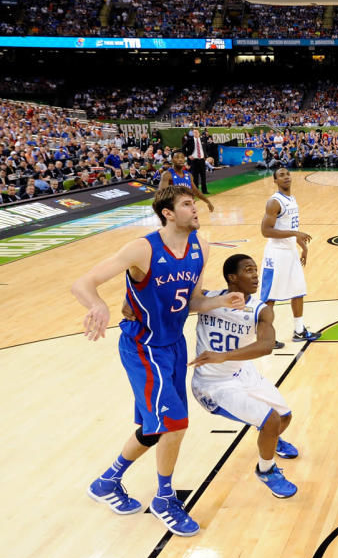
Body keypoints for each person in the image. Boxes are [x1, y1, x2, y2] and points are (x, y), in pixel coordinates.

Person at [72, 185, 244, 537]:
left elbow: (193, 302)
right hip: (143, 346)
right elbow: (82, 282)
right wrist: (97, 304)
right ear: (167, 213)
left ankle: (107, 482)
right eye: (186, 204)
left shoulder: (202, 247)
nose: (195, 209)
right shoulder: (143, 248)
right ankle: (165, 498)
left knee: (155, 428)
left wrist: (222, 300)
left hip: (174, 345)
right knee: (175, 424)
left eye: (194, 204)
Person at [189, 254, 299, 499]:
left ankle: (271, 441)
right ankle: (267, 471)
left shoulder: (260, 310)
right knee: (270, 421)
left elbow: (267, 345)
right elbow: (170, 301)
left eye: (256, 270)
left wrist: (224, 356)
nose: (256, 275)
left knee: (284, 417)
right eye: (249, 270)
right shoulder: (207, 299)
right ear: (232, 277)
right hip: (212, 385)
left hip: (241, 371)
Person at [260, 167, 317, 347]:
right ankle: (265, 338)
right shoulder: (274, 202)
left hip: (290, 252)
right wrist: (295, 234)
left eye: (287, 174)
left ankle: (299, 331)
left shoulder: (291, 199)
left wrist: (302, 246)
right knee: (270, 297)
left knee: (298, 291)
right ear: (275, 181)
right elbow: (265, 231)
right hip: (276, 255)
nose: (286, 177)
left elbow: (291, 227)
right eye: (281, 175)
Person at [184, 128, 209, 194]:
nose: (195, 133)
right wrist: (188, 155)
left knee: (203, 176)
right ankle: (196, 191)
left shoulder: (202, 140)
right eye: (194, 132)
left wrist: (205, 156)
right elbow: (183, 148)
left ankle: (204, 190)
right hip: (194, 160)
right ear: (192, 133)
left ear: (199, 133)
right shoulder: (190, 140)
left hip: (202, 160)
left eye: (196, 132)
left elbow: (204, 148)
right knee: (195, 177)